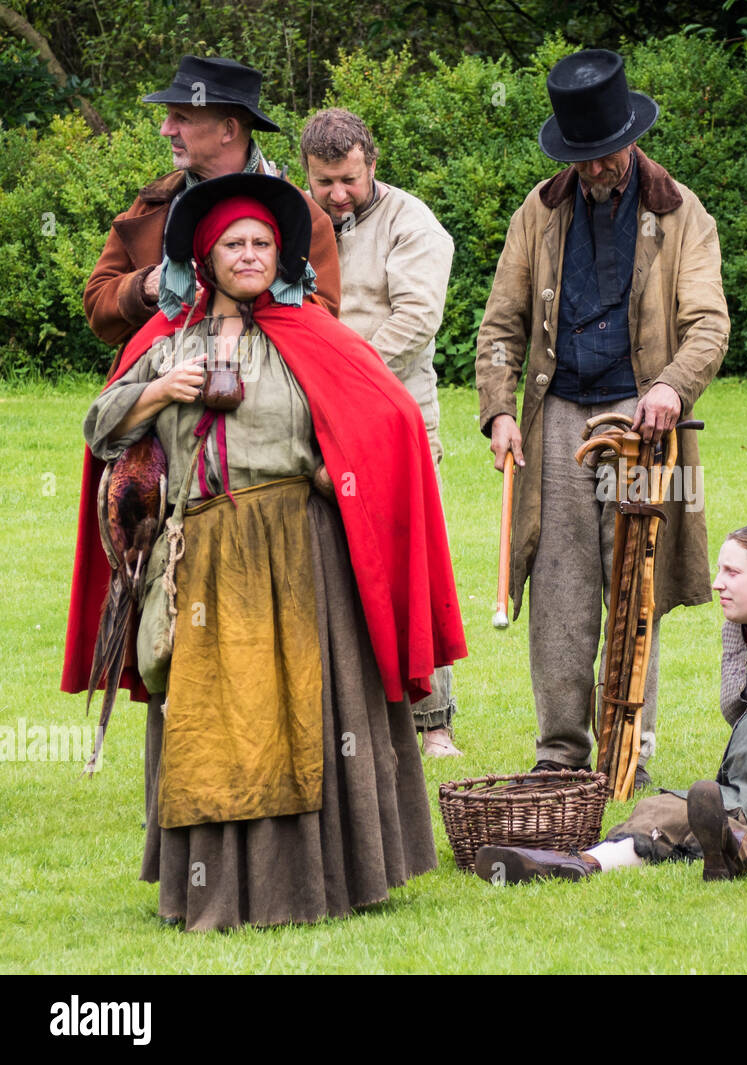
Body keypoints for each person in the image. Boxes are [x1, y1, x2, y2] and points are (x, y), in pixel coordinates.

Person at [63, 173, 466, 930]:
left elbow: (384, 421)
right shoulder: (166, 343)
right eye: (232, 245)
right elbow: (100, 426)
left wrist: (333, 479)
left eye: (261, 245)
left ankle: (322, 881)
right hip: (203, 553)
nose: (248, 255)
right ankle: (218, 890)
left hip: (299, 551)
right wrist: (161, 392)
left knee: (312, 719)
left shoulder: (310, 335)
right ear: (205, 258)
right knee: (212, 727)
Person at [475, 48, 728, 785]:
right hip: (556, 414)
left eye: (605, 153)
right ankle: (559, 752)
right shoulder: (539, 210)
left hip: (642, 413)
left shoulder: (683, 213)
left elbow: (709, 325)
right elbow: (500, 328)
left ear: (631, 137)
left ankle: (628, 751)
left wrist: (673, 389)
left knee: (634, 581)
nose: (595, 169)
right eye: (581, 158)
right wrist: (498, 412)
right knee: (558, 585)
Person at [475, 523, 747, 883]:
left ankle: (745, 853)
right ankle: (580, 863)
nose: (717, 583)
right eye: (719, 570)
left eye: (732, 572)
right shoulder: (736, 627)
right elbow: (737, 711)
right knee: (667, 808)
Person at [301, 107, 462, 758]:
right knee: (325, 565)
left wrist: (341, 375)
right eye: (323, 182)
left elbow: (416, 321)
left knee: (408, 566)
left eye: (348, 178)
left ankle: (435, 723)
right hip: (314, 420)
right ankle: (340, 717)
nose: (337, 193)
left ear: (372, 160)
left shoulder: (412, 223)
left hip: (395, 415)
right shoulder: (300, 225)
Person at [83, 55, 341, 361]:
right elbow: (98, 307)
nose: (166, 129)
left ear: (228, 130)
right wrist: (146, 286)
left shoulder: (303, 217)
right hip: (158, 387)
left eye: (181, 118)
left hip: (259, 387)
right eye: (168, 117)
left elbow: (321, 328)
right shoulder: (153, 202)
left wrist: (249, 288)